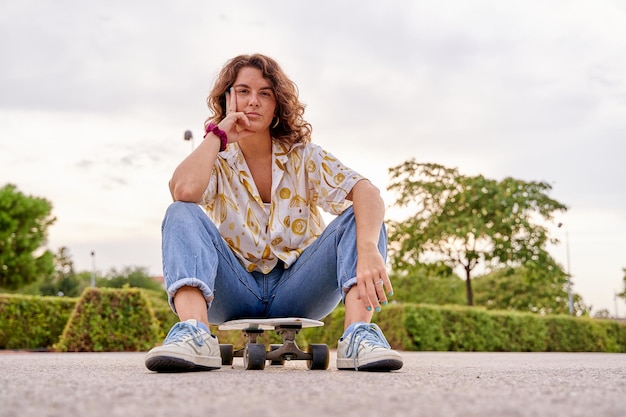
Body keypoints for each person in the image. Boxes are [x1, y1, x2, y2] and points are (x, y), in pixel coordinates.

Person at [145, 53, 403, 372]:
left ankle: (357, 336)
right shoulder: (217, 158)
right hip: (235, 287)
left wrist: (367, 250)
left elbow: (369, 193)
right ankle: (195, 335)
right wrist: (218, 134)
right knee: (181, 211)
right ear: (227, 99)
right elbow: (183, 191)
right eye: (243, 91)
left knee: (361, 214)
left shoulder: (303, 156)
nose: (253, 101)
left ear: (276, 103)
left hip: (299, 287)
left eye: (264, 93)